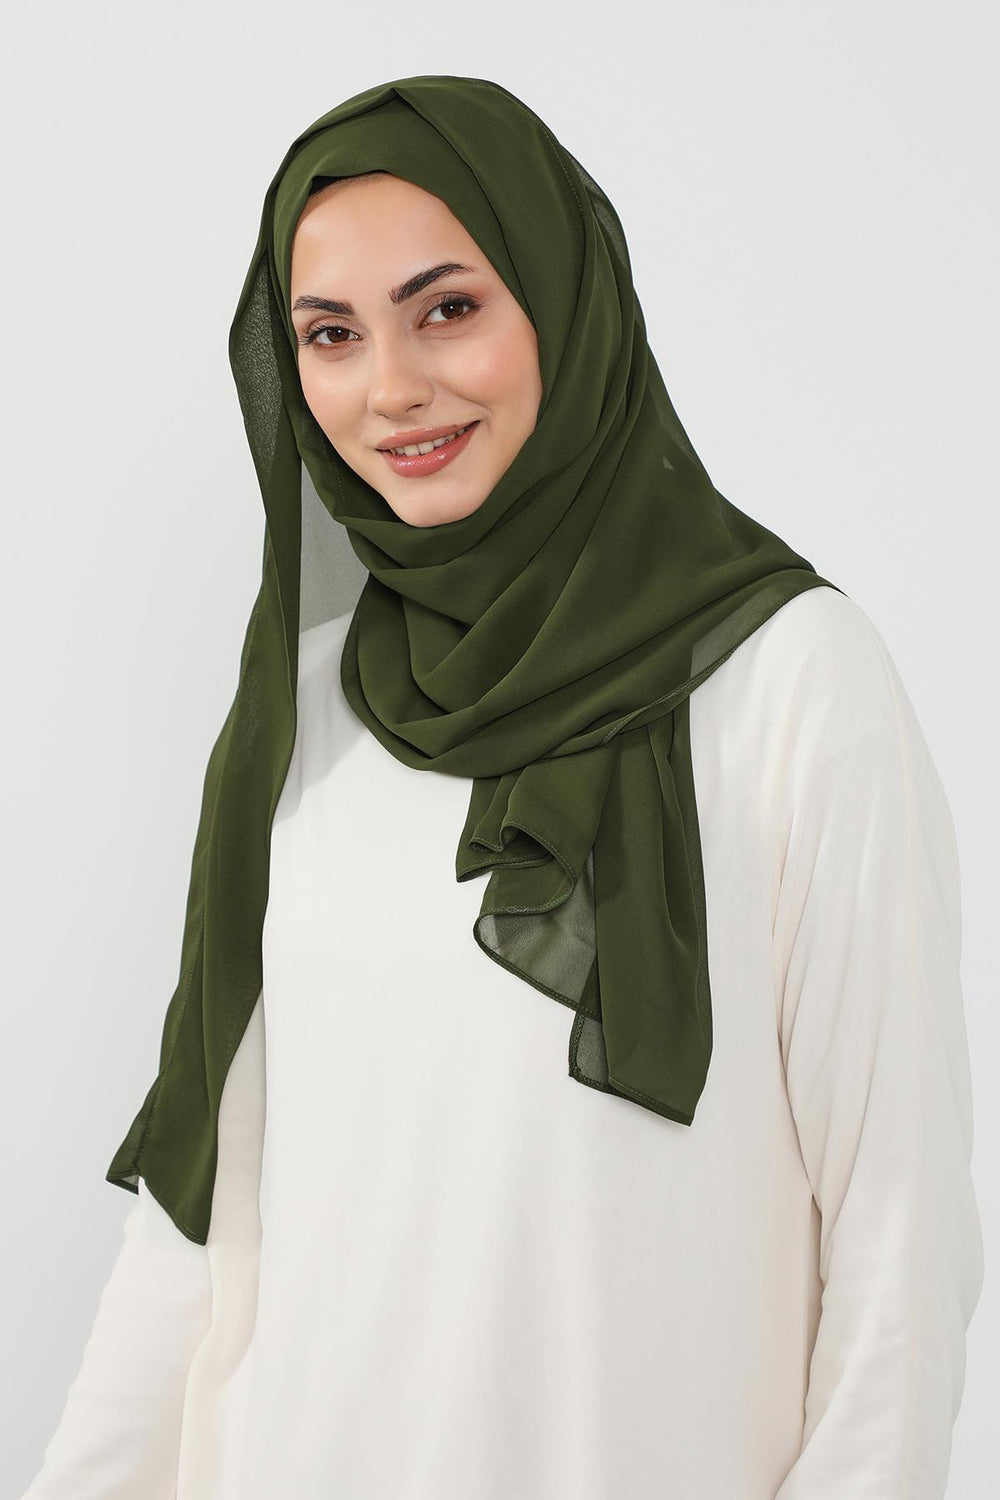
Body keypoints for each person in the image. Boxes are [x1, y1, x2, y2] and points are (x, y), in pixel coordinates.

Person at [18, 74, 983, 1500]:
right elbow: (197, 1223)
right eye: (329, 335)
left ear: (563, 301)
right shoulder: (304, 705)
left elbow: (901, 1247)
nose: (389, 389)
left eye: (448, 308)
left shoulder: (792, 682)